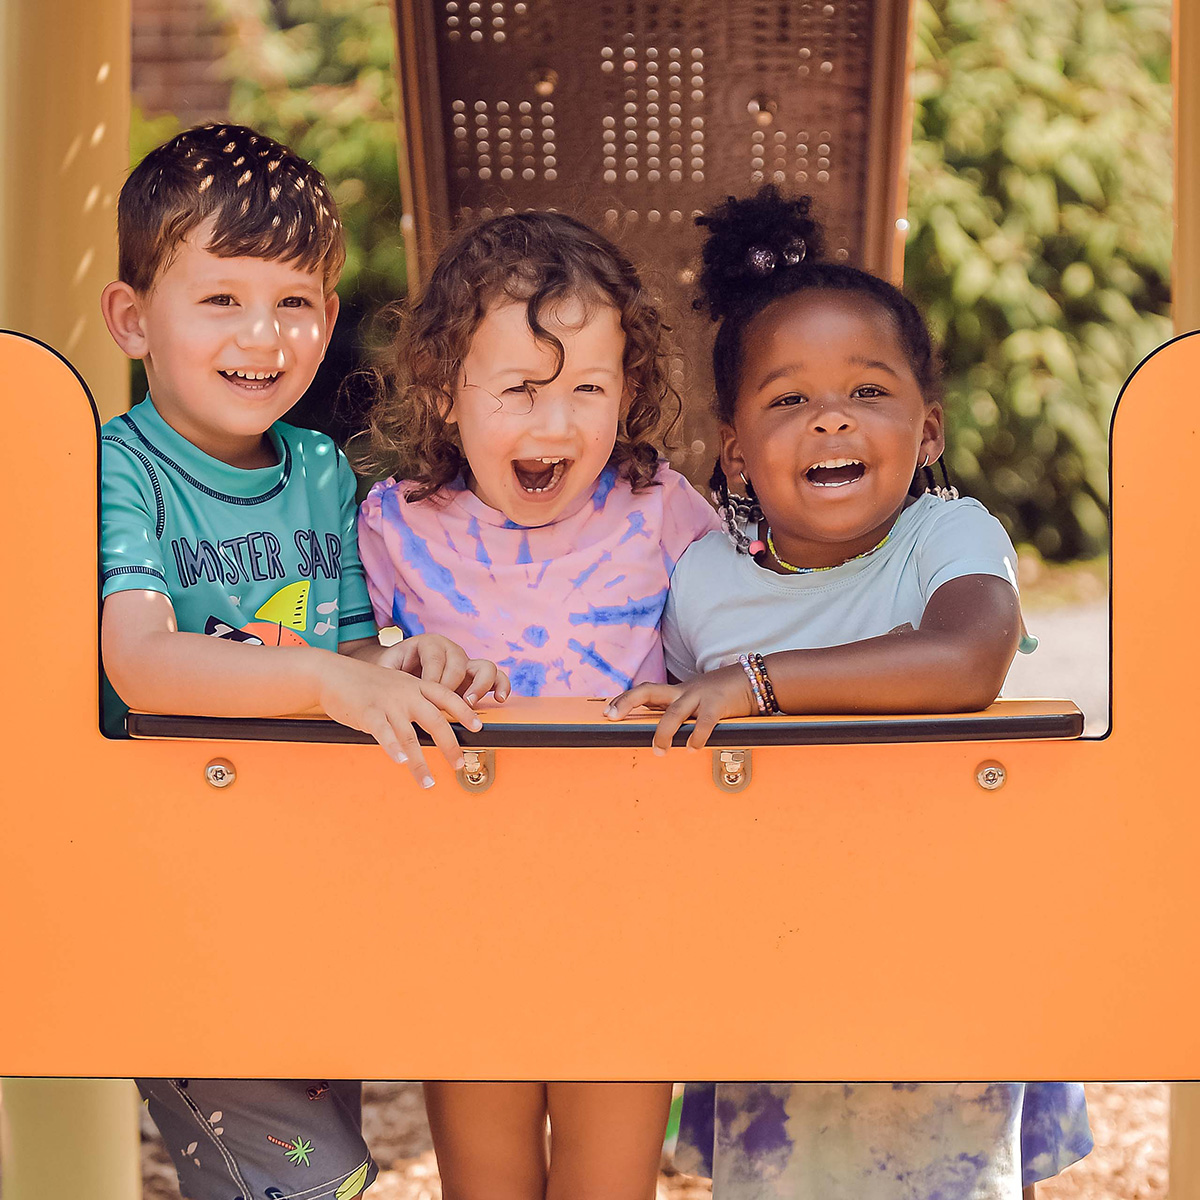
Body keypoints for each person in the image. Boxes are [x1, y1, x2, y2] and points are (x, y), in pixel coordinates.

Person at [606, 186, 1092, 1198]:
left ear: (927, 433)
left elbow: (967, 657)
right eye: (788, 399)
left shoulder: (944, 538)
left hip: (944, 950)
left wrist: (760, 686)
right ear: (735, 449)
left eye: (869, 391)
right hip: (772, 962)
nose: (831, 415)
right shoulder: (701, 584)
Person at [100, 124, 503, 1200]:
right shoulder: (117, 470)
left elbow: (348, 644)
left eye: (293, 302)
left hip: (307, 880)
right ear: (134, 320)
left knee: (326, 1144)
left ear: (328, 317)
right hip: (176, 891)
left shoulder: (321, 471)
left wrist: (402, 660)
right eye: (221, 299)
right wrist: (331, 678)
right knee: (311, 1179)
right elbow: (141, 660)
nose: (262, 333)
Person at [356, 210, 720, 1199]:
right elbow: (347, 666)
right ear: (444, 389)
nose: (554, 424)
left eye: (587, 390)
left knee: (610, 1184)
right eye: (520, 389)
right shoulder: (393, 530)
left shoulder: (668, 517)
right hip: (463, 916)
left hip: (631, 912)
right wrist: (398, 658)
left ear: (629, 391)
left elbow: (742, 642)